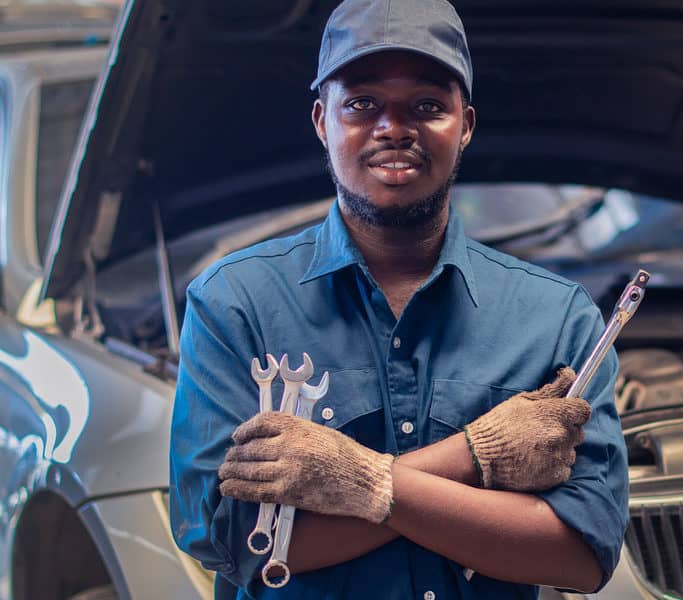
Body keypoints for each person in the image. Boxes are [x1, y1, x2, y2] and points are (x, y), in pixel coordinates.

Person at [168, 0, 628, 597]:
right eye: (361, 104)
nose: (393, 126)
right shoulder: (235, 303)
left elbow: (583, 554)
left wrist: (354, 485)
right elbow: (236, 543)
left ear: (464, 125)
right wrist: (474, 457)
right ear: (321, 121)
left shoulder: (557, 317)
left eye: (427, 106)